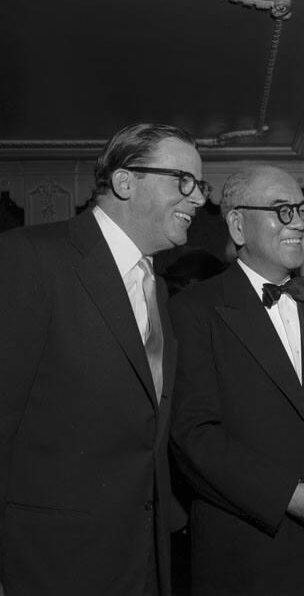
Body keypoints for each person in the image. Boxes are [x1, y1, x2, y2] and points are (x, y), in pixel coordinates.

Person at [0, 123, 206, 595]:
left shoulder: (156, 286)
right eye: (184, 181)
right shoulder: (29, 259)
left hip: (144, 558)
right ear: (125, 181)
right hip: (50, 563)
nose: (197, 199)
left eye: (201, 185)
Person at [169, 165, 304, 595]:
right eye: (282, 211)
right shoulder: (194, 310)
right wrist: (288, 495)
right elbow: (193, 436)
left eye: (303, 210)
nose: (301, 223)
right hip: (248, 565)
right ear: (237, 225)